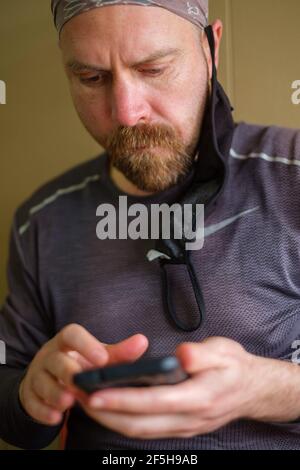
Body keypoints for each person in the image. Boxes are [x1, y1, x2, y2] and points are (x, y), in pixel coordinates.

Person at [0, 0, 300, 451]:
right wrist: (30, 394)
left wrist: (267, 388)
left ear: (210, 48)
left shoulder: (292, 173)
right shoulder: (41, 221)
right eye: (91, 78)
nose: (126, 112)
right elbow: (11, 398)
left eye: (154, 68)